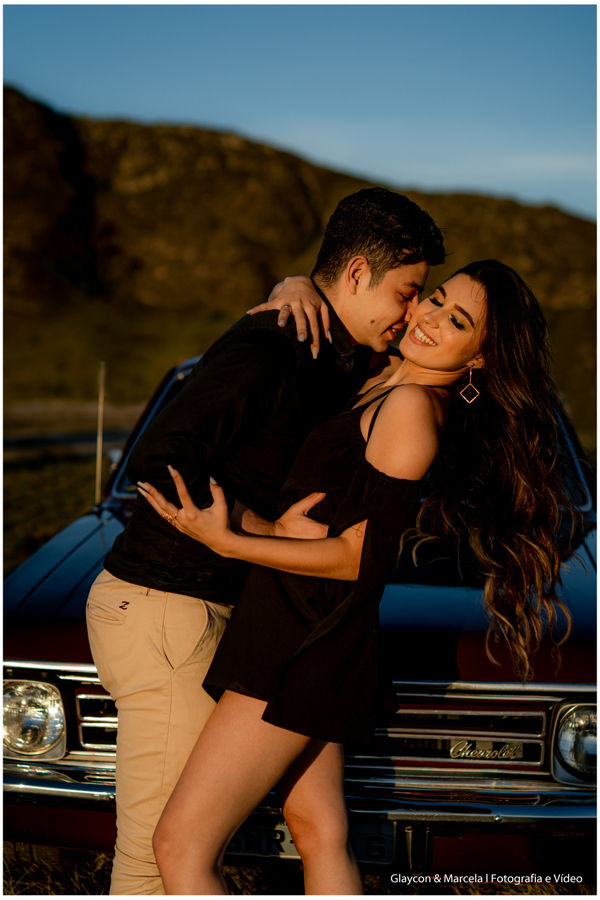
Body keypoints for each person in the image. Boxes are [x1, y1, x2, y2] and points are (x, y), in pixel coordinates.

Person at [140, 259, 578, 894]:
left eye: (457, 322)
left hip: (302, 639)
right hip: (301, 621)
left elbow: (356, 557)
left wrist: (230, 540)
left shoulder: (411, 407)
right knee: (318, 830)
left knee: (179, 845)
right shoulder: (379, 380)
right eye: (435, 298)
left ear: (480, 359)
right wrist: (293, 286)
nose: (429, 318)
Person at [85, 186, 445, 894]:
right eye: (408, 292)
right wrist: (260, 529)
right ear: (355, 275)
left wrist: (293, 284)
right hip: (169, 605)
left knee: (260, 837)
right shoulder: (271, 345)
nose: (411, 313)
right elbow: (165, 458)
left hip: (230, 618)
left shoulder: (334, 356)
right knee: (157, 857)